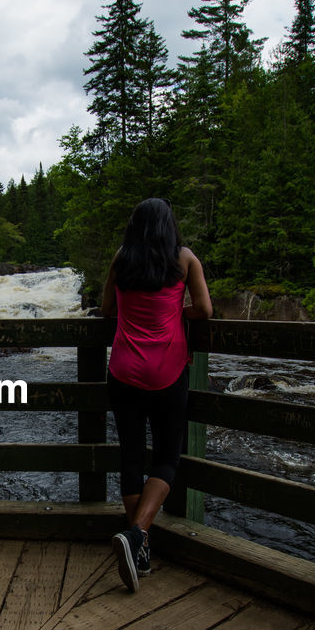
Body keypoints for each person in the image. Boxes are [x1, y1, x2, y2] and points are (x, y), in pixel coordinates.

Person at [100, 198, 212, 591]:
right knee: (167, 455)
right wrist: (177, 313)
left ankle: (138, 546)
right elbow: (204, 309)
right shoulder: (184, 260)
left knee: (131, 452)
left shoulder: (122, 259)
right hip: (167, 370)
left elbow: (106, 307)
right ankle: (137, 537)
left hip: (124, 370)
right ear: (170, 225)